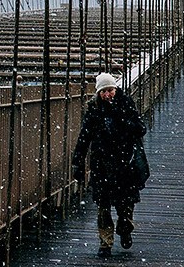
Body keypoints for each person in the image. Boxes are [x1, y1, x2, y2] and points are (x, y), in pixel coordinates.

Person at [71, 72, 148, 258]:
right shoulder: (94, 110)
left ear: (116, 89)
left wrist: (122, 119)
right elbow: (84, 137)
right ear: (98, 93)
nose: (107, 95)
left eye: (110, 90)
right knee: (103, 206)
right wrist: (78, 163)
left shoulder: (125, 104)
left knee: (125, 204)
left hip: (124, 163)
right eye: (104, 91)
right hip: (102, 165)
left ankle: (125, 227)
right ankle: (105, 243)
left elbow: (140, 129)